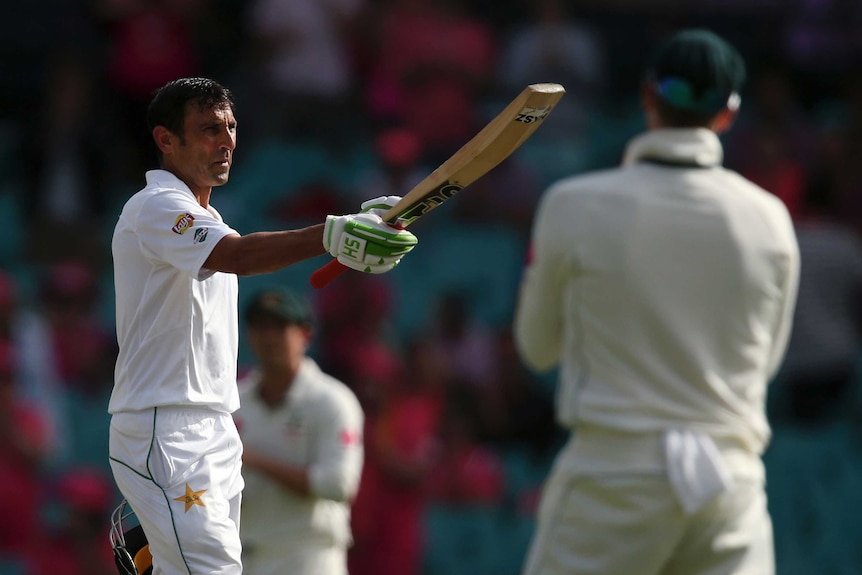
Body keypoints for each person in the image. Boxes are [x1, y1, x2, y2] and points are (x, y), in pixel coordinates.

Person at [513, 29, 800, 575]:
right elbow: (765, 365)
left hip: (613, 479)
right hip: (729, 488)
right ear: (729, 113)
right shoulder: (771, 220)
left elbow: (537, 348)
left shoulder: (573, 206)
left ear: (647, 95)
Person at [107, 77, 417, 575]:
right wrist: (335, 232)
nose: (227, 140)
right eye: (209, 129)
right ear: (166, 139)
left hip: (213, 424)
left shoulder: (202, 214)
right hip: (165, 424)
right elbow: (242, 255)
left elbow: (248, 250)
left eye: (231, 127)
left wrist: (351, 227)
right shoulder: (157, 206)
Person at [232, 288, 364, 575]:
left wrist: (253, 460)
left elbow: (338, 484)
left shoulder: (332, 401)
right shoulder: (234, 401)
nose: (268, 337)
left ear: (305, 334)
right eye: (259, 326)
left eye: (279, 327)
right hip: (244, 556)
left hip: (308, 558)